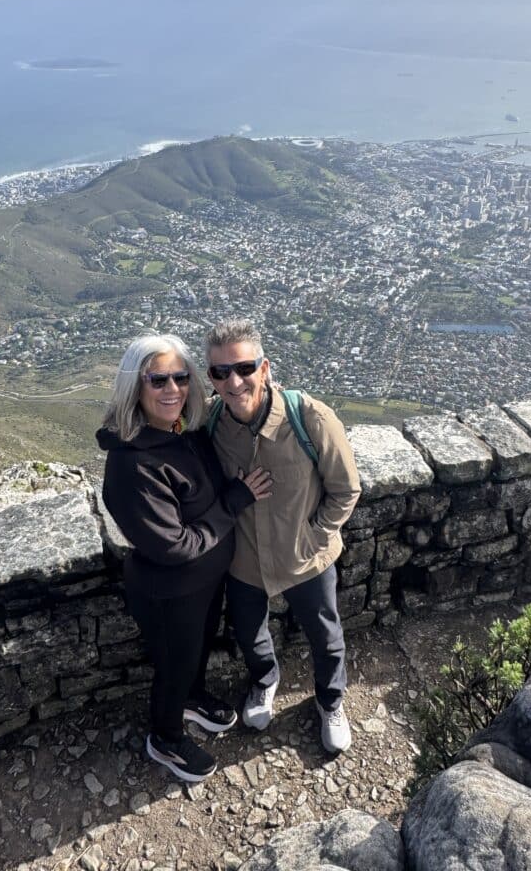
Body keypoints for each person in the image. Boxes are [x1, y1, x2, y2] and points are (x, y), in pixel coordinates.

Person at [97, 333, 272, 782]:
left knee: (194, 652)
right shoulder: (133, 464)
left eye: (180, 377)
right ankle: (166, 738)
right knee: (174, 665)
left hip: (205, 582)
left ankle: (191, 697)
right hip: (170, 591)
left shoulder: (180, 432)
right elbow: (173, 546)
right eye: (158, 380)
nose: (172, 389)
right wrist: (233, 503)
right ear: (135, 386)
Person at [205, 319, 361, 753]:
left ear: (265, 367)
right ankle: (264, 682)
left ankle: (331, 701)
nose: (233, 381)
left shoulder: (310, 417)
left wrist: (316, 538)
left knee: (325, 635)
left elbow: (346, 488)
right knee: (249, 632)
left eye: (244, 368)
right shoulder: (213, 423)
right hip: (245, 559)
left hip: (305, 557)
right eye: (219, 372)